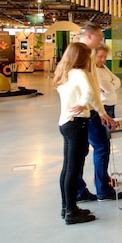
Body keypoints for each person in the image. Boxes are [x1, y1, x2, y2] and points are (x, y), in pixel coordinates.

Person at [53, 42, 99, 225]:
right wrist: (82, 104)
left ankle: (67, 207)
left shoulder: (64, 74)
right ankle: (71, 211)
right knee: (74, 169)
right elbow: (89, 92)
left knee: (67, 169)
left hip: (65, 123)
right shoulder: (79, 73)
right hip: (77, 123)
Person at [73, 22, 119, 203]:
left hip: (89, 111)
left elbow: (111, 84)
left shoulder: (87, 58)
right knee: (99, 147)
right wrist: (97, 110)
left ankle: (88, 190)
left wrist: (100, 111)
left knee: (85, 150)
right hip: (85, 112)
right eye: (100, 36)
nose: (101, 39)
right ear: (90, 36)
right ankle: (100, 190)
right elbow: (91, 89)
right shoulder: (84, 57)